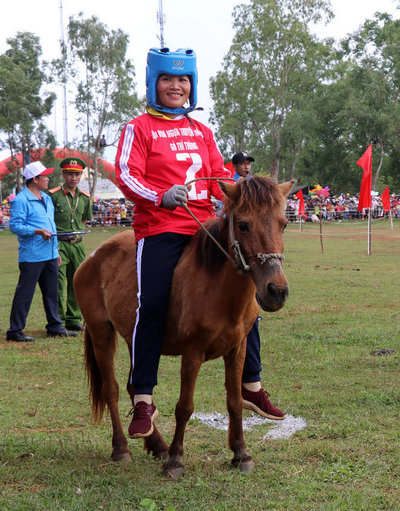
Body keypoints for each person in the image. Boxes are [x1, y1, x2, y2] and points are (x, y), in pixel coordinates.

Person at [116, 47, 238, 438]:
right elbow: (125, 174)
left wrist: (243, 195)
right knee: (150, 303)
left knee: (246, 289)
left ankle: (251, 384)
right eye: (168, 79)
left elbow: (219, 176)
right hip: (161, 226)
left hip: (206, 228)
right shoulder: (139, 127)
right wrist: (159, 195)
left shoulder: (203, 131)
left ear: (192, 86)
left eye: (183, 80)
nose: (176, 86)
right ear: (154, 82)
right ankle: (143, 397)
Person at [231, 150, 286, 421]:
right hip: (228, 247)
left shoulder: (256, 187)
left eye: (248, 163)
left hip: (250, 253)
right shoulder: (232, 185)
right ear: (235, 165)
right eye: (242, 163)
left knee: (251, 315)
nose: (246, 166)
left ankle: (252, 386)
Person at [6, 161, 77, 342]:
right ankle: (15, 331)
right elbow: (14, 226)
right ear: (34, 179)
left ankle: (54, 326)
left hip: (50, 254)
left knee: (52, 292)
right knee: (25, 293)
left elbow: (50, 225)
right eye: (44, 176)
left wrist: (56, 250)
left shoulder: (46, 198)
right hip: (32, 255)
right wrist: (37, 232)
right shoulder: (21, 200)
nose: (48, 178)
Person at [47, 156, 92, 331]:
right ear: (63, 175)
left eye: (77, 174)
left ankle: (74, 319)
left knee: (78, 281)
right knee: (58, 282)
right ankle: (57, 321)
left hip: (78, 244)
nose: (73, 178)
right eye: (70, 174)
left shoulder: (86, 198)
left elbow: (84, 219)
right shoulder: (53, 195)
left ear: (81, 176)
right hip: (59, 244)